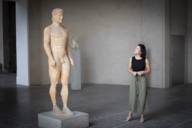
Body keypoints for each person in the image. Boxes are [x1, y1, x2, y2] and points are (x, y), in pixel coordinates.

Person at [43, 8, 74, 115]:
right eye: (60, 15)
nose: (62, 17)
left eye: (62, 15)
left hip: (64, 57)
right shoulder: (48, 29)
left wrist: (70, 57)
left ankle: (65, 106)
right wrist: (50, 58)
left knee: (65, 83)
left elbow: (67, 46)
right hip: (55, 57)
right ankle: (55, 106)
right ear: (54, 15)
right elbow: (46, 44)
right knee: (54, 83)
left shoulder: (65, 29)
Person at [126, 43, 151, 123]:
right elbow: (129, 69)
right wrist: (132, 72)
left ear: (141, 51)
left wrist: (143, 71)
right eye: (135, 48)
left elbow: (149, 70)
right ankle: (130, 114)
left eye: (137, 48)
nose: (135, 49)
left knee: (142, 96)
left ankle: (142, 115)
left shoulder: (145, 60)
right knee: (132, 96)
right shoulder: (131, 59)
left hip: (142, 79)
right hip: (133, 78)